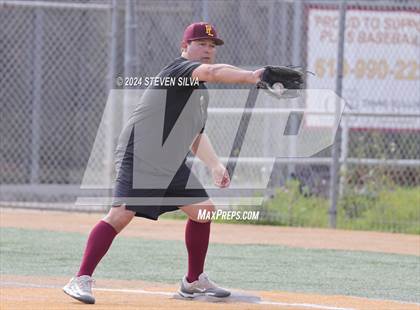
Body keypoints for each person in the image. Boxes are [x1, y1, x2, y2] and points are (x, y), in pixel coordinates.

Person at [63, 22, 265, 304]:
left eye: (211, 46)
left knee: (203, 211)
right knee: (121, 214)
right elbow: (213, 72)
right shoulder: (179, 71)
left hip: (169, 161)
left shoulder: (200, 92)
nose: (207, 50)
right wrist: (253, 76)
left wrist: (215, 165)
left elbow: (195, 135)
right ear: (185, 47)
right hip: (142, 153)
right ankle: (80, 278)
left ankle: (193, 281)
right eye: (201, 43)